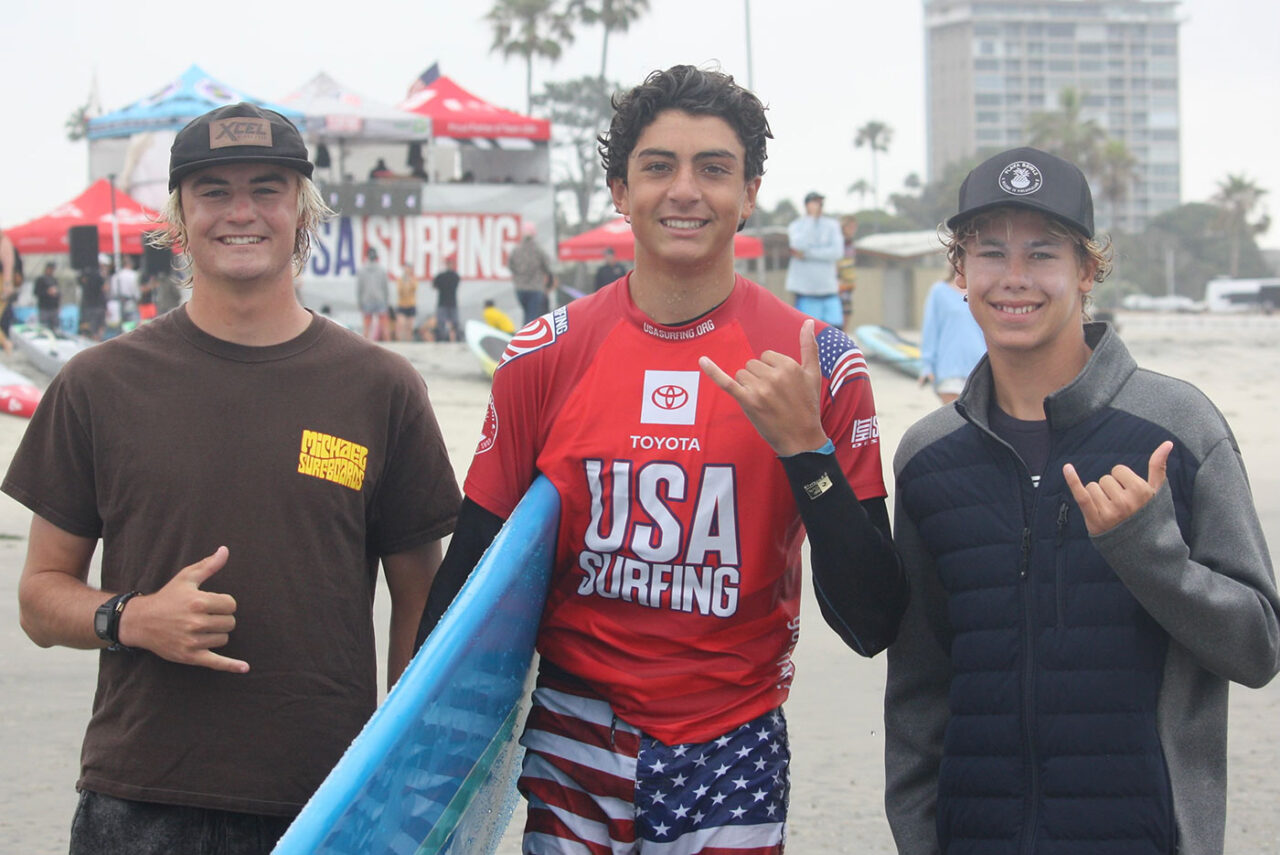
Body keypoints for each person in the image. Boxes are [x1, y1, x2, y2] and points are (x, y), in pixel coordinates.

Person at [415, 64, 907, 854]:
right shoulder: (546, 353)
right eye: (658, 166)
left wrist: (804, 449)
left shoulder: (820, 363)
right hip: (575, 731)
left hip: (733, 737)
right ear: (619, 190)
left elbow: (872, 620)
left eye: (714, 168)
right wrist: (416, 767)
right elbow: (469, 577)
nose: (686, 190)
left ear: (749, 193)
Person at [3, 101, 461, 855]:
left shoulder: (380, 387)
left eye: (266, 189)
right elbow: (38, 597)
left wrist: (402, 765)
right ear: (177, 220)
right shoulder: (99, 384)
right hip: (140, 798)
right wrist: (133, 617)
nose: (240, 211)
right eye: (213, 190)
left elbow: (420, 597)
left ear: (302, 214)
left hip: (325, 797)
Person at [884, 147, 1280, 855]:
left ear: (1087, 269)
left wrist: (1148, 552)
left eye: (1042, 254)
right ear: (959, 272)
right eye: (989, 253)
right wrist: (921, 832)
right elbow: (920, 684)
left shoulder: (1178, 427)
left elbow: (1257, 647)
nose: (1014, 279)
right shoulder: (927, 455)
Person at [916, 268, 986, 404]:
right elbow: (930, 330)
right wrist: (927, 366)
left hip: (982, 369)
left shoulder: (984, 292)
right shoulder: (939, 292)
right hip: (949, 370)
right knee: (954, 421)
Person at [785, 190, 844, 327]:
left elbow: (837, 252)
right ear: (807, 205)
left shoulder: (832, 225)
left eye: (820, 203)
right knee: (808, 332)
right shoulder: (797, 226)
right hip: (806, 291)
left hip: (828, 288)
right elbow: (798, 246)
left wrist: (807, 255)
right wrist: (811, 220)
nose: (819, 206)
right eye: (815, 202)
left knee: (836, 330)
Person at [507, 221, 555, 324]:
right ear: (534, 234)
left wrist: (519, 276)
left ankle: (524, 335)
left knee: (526, 313)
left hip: (520, 288)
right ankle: (529, 338)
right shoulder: (538, 250)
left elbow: (510, 266)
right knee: (532, 316)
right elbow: (547, 265)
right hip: (535, 287)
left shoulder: (516, 250)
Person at [356, 246, 390, 340]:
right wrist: (386, 301)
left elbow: (360, 288)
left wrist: (359, 302)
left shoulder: (362, 270)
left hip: (367, 299)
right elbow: (385, 287)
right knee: (384, 326)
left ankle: (365, 345)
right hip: (380, 299)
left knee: (367, 326)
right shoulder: (381, 270)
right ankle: (389, 345)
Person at [78, 255, 109, 341]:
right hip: (98, 306)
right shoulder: (99, 276)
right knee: (97, 329)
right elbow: (105, 289)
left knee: (88, 329)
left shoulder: (84, 274)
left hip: (88, 305)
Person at [431, 255, 461, 342]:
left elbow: (436, 285)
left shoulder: (453, 276)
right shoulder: (447, 276)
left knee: (454, 323)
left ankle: (454, 338)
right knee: (441, 323)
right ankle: (443, 339)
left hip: (451, 303)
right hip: (443, 303)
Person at [837, 214, 858, 320]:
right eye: (850, 227)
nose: (852, 230)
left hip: (849, 282)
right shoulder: (838, 242)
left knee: (847, 312)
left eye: (854, 227)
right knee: (839, 314)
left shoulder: (851, 243)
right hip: (840, 283)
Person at [35, 261, 62, 331]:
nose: (51, 271)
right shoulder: (40, 279)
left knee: (55, 327)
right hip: (44, 308)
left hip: (53, 308)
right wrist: (47, 292)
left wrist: (58, 305)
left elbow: (58, 294)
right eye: (50, 269)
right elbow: (36, 292)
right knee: (44, 327)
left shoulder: (54, 280)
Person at [395, 266, 419, 341]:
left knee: (410, 327)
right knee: (401, 325)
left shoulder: (413, 279)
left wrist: (409, 281)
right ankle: (399, 341)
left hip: (411, 305)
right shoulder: (400, 280)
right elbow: (399, 291)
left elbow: (415, 288)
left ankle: (408, 342)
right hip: (402, 305)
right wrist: (404, 283)